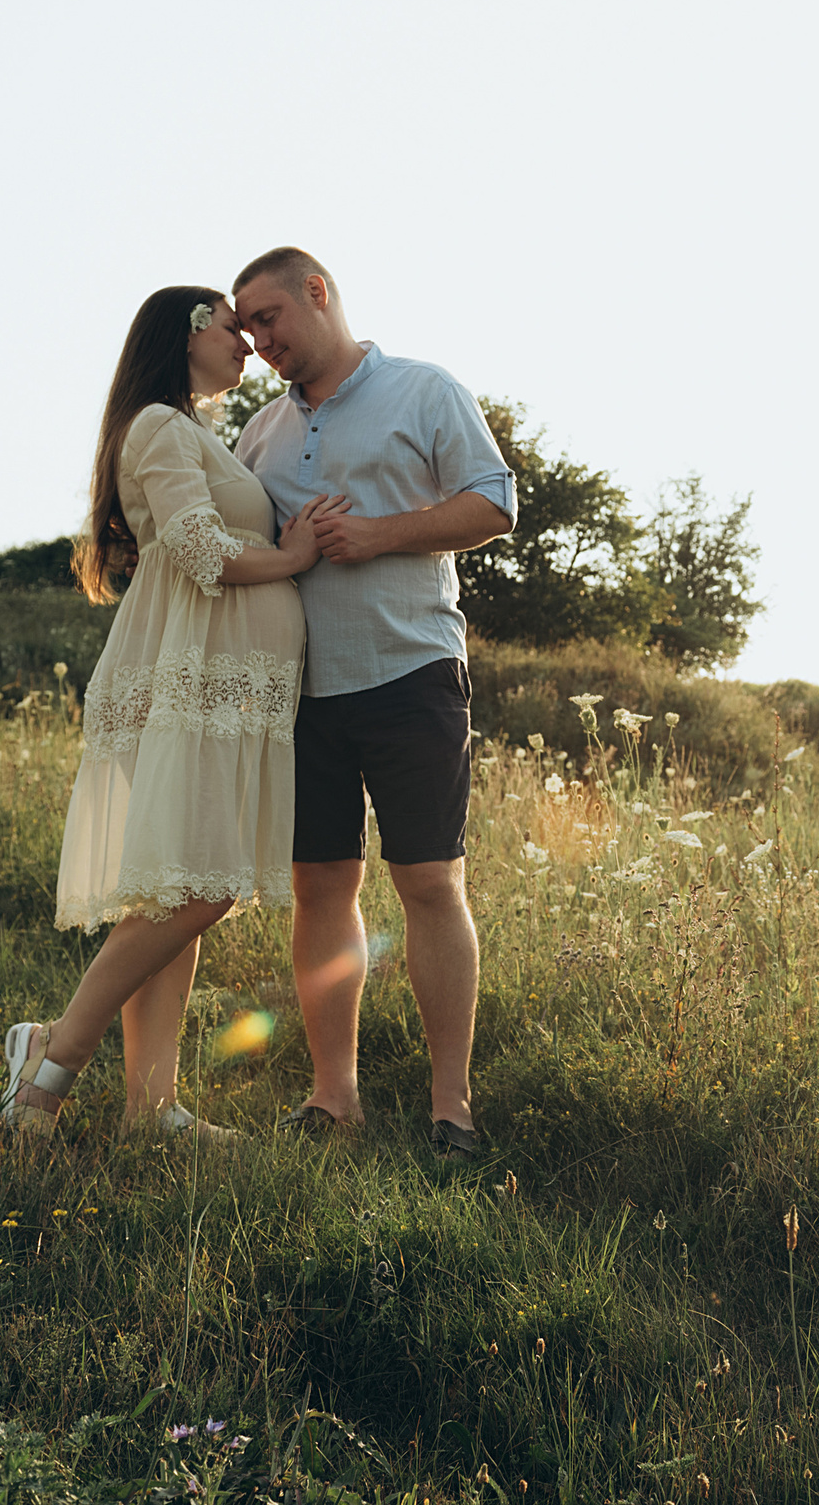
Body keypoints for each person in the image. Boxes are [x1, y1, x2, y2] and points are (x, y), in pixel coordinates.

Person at [0, 286, 342, 1142]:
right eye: (233, 328)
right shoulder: (157, 425)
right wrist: (292, 553)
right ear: (185, 336)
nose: (247, 345)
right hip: (183, 682)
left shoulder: (194, 432)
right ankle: (51, 1059)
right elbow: (196, 551)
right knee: (202, 887)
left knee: (175, 886)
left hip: (222, 684)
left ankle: (151, 1107)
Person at [230, 246, 516, 1157]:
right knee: (320, 886)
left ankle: (452, 1111)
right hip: (302, 691)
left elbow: (493, 502)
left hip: (410, 671)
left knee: (428, 881)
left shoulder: (424, 390)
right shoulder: (261, 433)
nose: (261, 340)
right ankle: (333, 1099)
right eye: (247, 329)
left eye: (270, 317)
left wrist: (379, 535)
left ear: (319, 294)